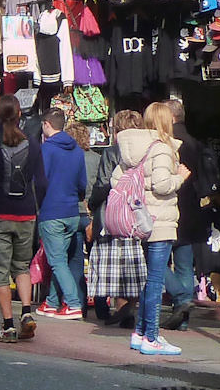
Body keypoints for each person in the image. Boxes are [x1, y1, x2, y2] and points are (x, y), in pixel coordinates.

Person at [110, 102, 188, 358]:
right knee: (155, 282)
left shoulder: (132, 147)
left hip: (139, 222)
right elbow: (164, 185)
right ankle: (151, 337)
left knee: (147, 281)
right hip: (160, 222)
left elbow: (115, 180)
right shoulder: (162, 149)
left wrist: (140, 187)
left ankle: (141, 332)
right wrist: (181, 177)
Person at [0, 94, 47, 343]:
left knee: (0, 272)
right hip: (26, 213)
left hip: (0, 213)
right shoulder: (33, 145)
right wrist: (35, 207)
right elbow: (42, 182)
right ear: (19, 115)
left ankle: (8, 326)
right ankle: (26, 313)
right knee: (22, 267)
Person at [88, 110, 149, 329]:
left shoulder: (113, 151)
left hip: (114, 216)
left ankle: (117, 310)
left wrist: (93, 204)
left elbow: (103, 183)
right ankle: (127, 311)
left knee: (112, 265)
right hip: (139, 214)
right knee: (132, 266)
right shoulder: (148, 150)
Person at [165, 96, 217, 332]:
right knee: (185, 265)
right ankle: (183, 319)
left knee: (155, 260)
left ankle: (180, 301)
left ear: (171, 117)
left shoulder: (168, 143)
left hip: (171, 207)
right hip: (192, 210)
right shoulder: (196, 143)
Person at [36, 104, 89, 319]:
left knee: (56, 261)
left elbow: (39, 182)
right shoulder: (77, 150)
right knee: (60, 261)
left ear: (47, 125)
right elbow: (82, 184)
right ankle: (52, 302)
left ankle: (73, 303)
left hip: (52, 211)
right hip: (72, 212)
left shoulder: (46, 149)